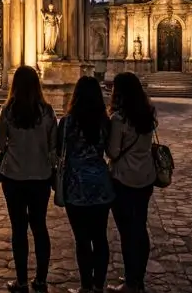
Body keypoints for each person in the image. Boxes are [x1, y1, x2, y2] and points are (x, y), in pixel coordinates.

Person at [0, 66, 57, 293]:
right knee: (40, 227)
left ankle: (21, 281)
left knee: (18, 228)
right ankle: (41, 280)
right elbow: (54, 146)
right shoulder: (48, 111)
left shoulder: (8, 110)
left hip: (14, 177)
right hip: (41, 177)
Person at [59, 76, 116, 293]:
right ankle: (98, 286)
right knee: (100, 237)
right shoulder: (105, 122)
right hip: (101, 185)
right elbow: (111, 152)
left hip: (75, 186)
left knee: (82, 239)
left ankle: (85, 286)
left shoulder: (67, 122)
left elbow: (58, 150)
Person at [106, 72, 157, 293]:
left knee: (127, 231)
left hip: (123, 179)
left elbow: (114, 152)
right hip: (145, 178)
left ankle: (130, 282)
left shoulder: (118, 119)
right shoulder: (148, 114)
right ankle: (139, 276)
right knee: (141, 228)